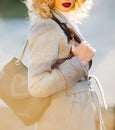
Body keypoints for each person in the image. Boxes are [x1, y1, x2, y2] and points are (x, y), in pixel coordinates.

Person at [25, 0, 106, 130]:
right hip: (63, 122)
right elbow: (37, 85)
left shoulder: (60, 20)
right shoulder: (46, 26)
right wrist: (79, 61)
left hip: (75, 118)